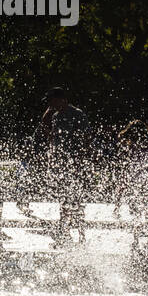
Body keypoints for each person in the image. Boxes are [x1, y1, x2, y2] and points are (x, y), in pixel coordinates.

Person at [42, 86, 93, 246]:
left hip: (75, 166)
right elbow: (48, 130)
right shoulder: (55, 115)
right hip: (61, 167)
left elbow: (86, 139)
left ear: (61, 99)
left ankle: (81, 236)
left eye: (52, 100)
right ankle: (65, 234)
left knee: (77, 202)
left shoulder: (77, 114)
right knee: (63, 202)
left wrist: (81, 163)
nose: (50, 104)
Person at [113, 120, 148, 257]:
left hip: (134, 186)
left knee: (136, 215)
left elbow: (126, 173)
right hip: (147, 185)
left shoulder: (130, 150)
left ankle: (136, 241)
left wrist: (118, 201)